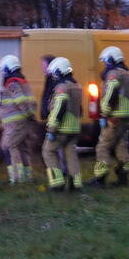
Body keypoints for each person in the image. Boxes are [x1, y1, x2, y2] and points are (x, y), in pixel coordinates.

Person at [88, 46, 129, 187]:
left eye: (106, 61)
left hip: (114, 116)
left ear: (111, 60)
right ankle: (123, 176)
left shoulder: (113, 74)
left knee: (102, 147)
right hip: (125, 117)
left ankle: (100, 178)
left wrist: (104, 114)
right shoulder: (126, 73)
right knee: (119, 145)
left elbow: (110, 95)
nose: (105, 64)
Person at [42, 57, 82, 192]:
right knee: (71, 154)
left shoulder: (62, 87)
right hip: (74, 127)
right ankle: (76, 184)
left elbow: (58, 108)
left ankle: (57, 183)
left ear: (59, 71)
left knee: (48, 151)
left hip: (61, 128)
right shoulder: (76, 86)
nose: (53, 76)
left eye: (54, 72)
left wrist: (51, 129)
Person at [0, 55, 36, 184]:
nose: (3, 73)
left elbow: (20, 100)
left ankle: (16, 178)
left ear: (9, 68)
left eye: (4, 70)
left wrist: (26, 114)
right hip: (22, 121)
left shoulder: (12, 82)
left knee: (8, 146)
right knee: (22, 147)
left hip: (15, 122)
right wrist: (30, 116)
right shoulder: (22, 81)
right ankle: (27, 177)